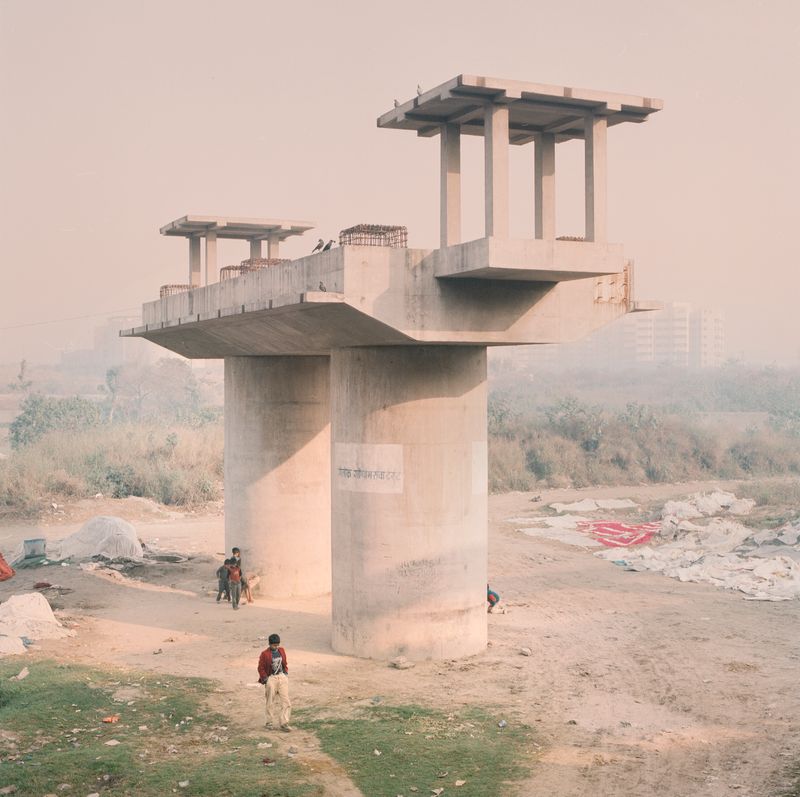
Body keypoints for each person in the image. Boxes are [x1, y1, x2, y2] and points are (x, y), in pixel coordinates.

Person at [257, 633, 291, 731]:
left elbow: (285, 662)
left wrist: (285, 672)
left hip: (281, 677)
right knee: (270, 701)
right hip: (271, 678)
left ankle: (284, 723)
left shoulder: (281, 650)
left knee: (286, 701)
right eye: (274, 645)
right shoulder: (264, 654)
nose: (276, 647)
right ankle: (269, 722)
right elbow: (261, 668)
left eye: (277, 645)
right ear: (269, 644)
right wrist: (265, 679)